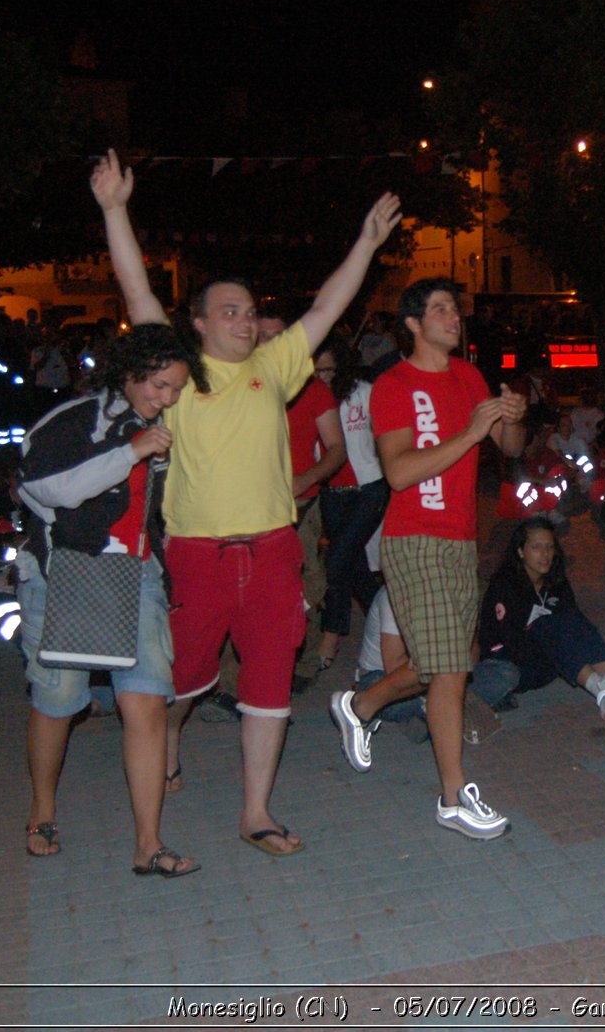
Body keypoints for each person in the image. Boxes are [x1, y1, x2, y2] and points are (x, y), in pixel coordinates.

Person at [92, 148, 401, 856]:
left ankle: (255, 812)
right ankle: (168, 738)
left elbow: (329, 304)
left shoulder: (274, 366)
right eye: (227, 311)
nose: (243, 319)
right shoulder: (181, 374)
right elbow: (139, 297)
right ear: (196, 325)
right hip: (199, 557)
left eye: (249, 310)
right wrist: (115, 209)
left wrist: (366, 242)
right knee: (185, 682)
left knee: (269, 686)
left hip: (273, 553)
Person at [331, 277, 525, 841]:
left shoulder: (468, 376)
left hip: (462, 539)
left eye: (455, 309)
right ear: (413, 324)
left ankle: (362, 704)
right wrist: (470, 433)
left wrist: (510, 415)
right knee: (450, 669)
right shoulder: (393, 385)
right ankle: (452, 797)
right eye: (440, 310)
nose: (454, 317)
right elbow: (399, 471)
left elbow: (509, 448)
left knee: (445, 660)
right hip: (415, 539)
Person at [15, 325, 202, 877]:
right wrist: (132, 450)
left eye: (176, 390)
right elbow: (46, 488)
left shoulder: (165, 427)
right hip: (66, 572)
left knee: (145, 701)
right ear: (131, 372)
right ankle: (42, 809)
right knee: (60, 699)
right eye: (160, 386)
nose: (166, 399)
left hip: (136, 572)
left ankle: (149, 843)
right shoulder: (75, 419)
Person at [475, 516, 605, 712]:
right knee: (546, 623)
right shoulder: (505, 585)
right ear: (520, 551)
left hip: (548, 660)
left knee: (570, 616)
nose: (545, 555)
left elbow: (574, 623)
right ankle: (600, 690)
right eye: (536, 548)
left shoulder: (555, 582)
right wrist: (548, 633)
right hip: (508, 662)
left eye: (549, 547)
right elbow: (510, 638)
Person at [317, 344, 391, 671]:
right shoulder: (309, 398)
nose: (323, 377)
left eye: (329, 370)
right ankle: (392, 621)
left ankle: (331, 634)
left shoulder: (363, 393)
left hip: (369, 488)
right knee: (354, 565)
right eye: (317, 371)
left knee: (337, 558)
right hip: (331, 491)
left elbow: (390, 431)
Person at [286, 337, 348, 673]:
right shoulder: (248, 385)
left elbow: (337, 449)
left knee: (307, 580)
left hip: (302, 500)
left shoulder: (314, 391)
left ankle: (304, 661)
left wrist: (304, 479)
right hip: (251, 503)